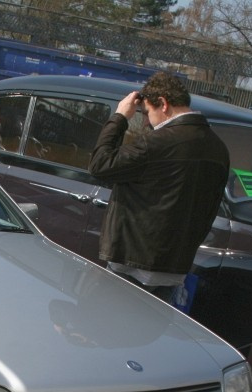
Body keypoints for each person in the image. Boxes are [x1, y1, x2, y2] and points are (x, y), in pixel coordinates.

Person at [88, 71, 229, 303]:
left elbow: (99, 165)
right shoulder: (218, 148)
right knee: (150, 325)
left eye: (146, 113)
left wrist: (120, 117)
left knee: (111, 321)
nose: (146, 122)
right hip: (175, 266)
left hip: (133, 263)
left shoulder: (156, 143)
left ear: (163, 103)